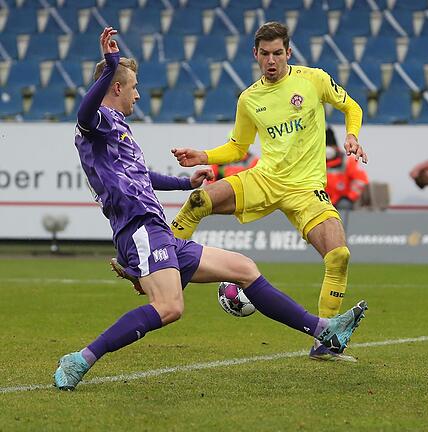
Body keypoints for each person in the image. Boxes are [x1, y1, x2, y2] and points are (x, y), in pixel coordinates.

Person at [54, 28, 367, 391]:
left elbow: (143, 176)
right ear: (118, 88)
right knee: (170, 307)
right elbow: (83, 110)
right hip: (138, 228)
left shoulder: (120, 129)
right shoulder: (97, 124)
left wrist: (185, 183)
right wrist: (110, 66)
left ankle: (324, 331)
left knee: (244, 269)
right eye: (134, 87)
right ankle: (81, 359)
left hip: (156, 229)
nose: (138, 94)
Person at [168, 22, 367, 362]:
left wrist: (352, 135)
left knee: (339, 256)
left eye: (278, 53)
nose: (271, 61)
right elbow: (237, 147)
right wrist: (204, 156)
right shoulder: (249, 98)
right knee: (199, 200)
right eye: (265, 54)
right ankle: (164, 270)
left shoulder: (313, 79)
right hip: (265, 179)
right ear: (255, 55)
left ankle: (326, 341)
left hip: (305, 189)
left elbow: (352, 107)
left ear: (288, 53)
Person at [325, 127, 369, 210]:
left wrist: (349, 197)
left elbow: (360, 181)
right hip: (320, 201)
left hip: (341, 201)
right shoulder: (314, 162)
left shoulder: (348, 161)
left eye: (330, 146)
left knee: (344, 205)